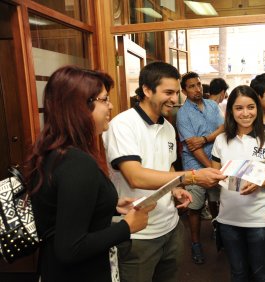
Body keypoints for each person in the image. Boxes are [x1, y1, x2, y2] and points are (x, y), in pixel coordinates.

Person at [25, 65, 156, 282]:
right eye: (104, 100)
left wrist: (109, 207)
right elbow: (70, 249)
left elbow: (63, 213)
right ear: (81, 107)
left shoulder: (55, 152)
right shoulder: (77, 162)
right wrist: (127, 227)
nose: (111, 106)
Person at [102, 62, 225, 282]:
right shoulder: (122, 125)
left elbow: (166, 166)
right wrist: (191, 176)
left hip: (171, 227)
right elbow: (135, 176)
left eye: (177, 92)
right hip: (138, 234)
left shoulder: (168, 127)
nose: (175, 99)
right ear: (147, 90)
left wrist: (176, 189)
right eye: (168, 92)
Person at [211, 85, 265, 282]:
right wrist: (219, 178)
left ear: (258, 109)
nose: (245, 113)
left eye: (251, 107)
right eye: (239, 108)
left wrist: (259, 181)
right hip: (228, 219)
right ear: (230, 111)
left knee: (261, 274)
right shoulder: (220, 141)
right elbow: (214, 176)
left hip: (260, 220)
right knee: (238, 273)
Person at [176, 72, 225, 264]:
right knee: (195, 207)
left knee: (216, 201)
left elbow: (224, 128)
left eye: (198, 85)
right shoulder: (183, 114)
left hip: (216, 161)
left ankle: (216, 229)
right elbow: (192, 147)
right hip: (195, 167)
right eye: (191, 86)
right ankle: (195, 243)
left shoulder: (213, 105)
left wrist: (205, 138)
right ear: (184, 91)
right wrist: (211, 168)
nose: (197, 89)